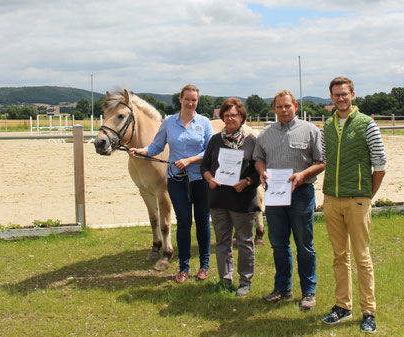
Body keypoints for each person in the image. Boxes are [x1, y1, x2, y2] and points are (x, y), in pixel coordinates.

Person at [129, 84, 214, 283]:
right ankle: (183, 267)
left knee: (202, 222)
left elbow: (210, 151)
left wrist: (190, 160)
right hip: (177, 180)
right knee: (183, 223)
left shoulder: (204, 122)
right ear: (180, 99)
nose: (191, 103)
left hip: (200, 179)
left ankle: (204, 265)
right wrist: (141, 151)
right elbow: (157, 146)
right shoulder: (168, 123)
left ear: (197, 101)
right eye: (187, 99)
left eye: (194, 100)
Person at [321, 77, 386, 334]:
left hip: (358, 199)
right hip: (331, 199)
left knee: (362, 257)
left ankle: (368, 311)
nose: (340, 98)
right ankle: (342, 306)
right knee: (339, 256)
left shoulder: (367, 124)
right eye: (336, 94)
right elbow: (325, 159)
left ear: (352, 95)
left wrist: (367, 194)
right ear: (331, 97)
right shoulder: (326, 126)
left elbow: (379, 164)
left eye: (344, 94)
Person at [253, 90, 324, 310]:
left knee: (304, 244)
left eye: (288, 106)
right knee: (278, 244)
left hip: (301, 194)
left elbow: (321, 162)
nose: (284, 110)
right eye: (279, 107)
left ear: (295, 105)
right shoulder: (266, 133)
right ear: (274, 109)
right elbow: (258, 158)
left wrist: (303, 175)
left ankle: (308, 292)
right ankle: (282, 288)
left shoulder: (310, 130)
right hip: (275, 196)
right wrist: (262, 172)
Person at [200, 97, 260, 297]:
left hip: (242, 200)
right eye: (226, 115)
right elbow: (205, 166)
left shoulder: (252, 141)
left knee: (244, 241)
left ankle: (245, 281)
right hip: (218, 199)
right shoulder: (215, 140)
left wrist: (247, 182)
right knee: (222, 241)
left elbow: (258, 172)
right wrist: (209, 178)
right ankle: (225, 278)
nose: (230, 118)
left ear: (242, 117)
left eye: (233, 115)